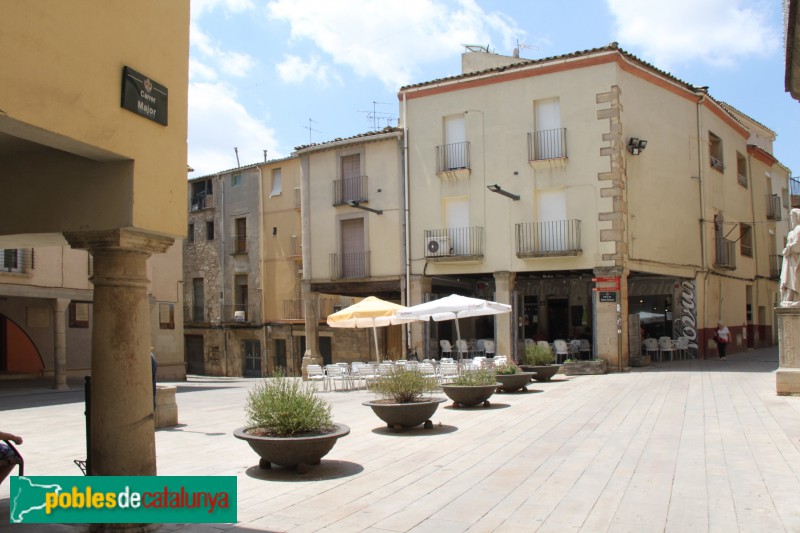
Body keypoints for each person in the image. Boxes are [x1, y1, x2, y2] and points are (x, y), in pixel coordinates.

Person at [781, 208, 800, 305]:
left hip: (796, 260)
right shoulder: (792, 232)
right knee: (789, 280)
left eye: (793, 217)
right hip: (790, 260)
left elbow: (797, 244)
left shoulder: (799, 229)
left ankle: (796, 298)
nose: (791, 220)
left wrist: (789, 249)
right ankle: (790, 297)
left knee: (795, 279)